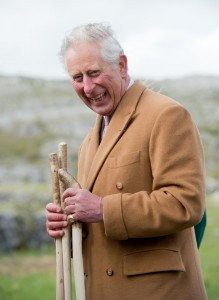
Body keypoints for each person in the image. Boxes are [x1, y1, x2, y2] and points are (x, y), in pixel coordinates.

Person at [46, 23, 207, 299]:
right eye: (77, 77)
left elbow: (186, 203)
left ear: (121, 65)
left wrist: (102, 208)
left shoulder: (166, 115)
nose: (87, 86)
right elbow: (92, 219)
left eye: (94, 73)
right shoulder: (91, 139)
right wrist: (68, 219)